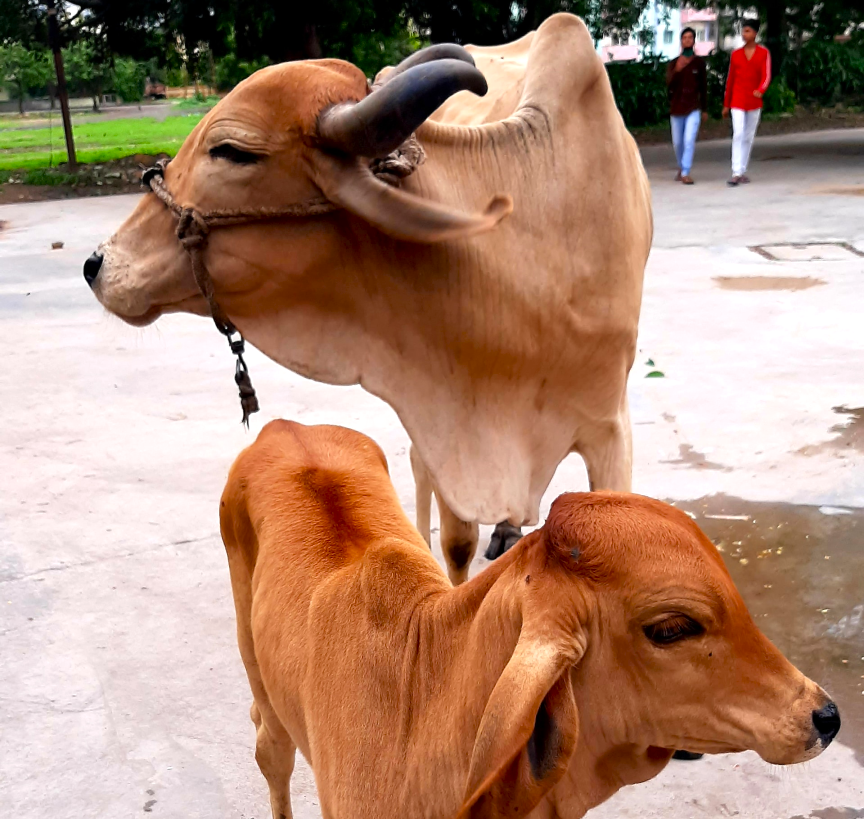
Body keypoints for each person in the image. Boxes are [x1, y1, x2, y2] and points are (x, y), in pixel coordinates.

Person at [722, 19, 771, 186]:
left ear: (755, 33)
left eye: (748, 31)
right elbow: (730, 80)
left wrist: (761, 90)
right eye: (743, 31)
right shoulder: (736, 55)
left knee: (748, 136)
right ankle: (735, 172)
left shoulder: (763, 53)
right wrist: (726, 104)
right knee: (738, 134)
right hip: (737, 99)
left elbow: (766, 76)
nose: (744, 34)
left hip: (754, 101)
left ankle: (742, 170)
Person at [666, 27, 708, 185]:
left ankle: (685, 172)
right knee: (678, 142)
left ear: (694, 40)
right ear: (681, 41)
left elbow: (703, 87)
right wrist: (677, 70)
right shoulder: (673, 63)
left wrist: (704, 109)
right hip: (676, 108)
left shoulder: (699, 63)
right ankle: (681, 166)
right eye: (685, 38)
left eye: (690, 37)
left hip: (693, 108)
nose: (687, 40)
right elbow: (669, 85)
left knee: (689, 140)